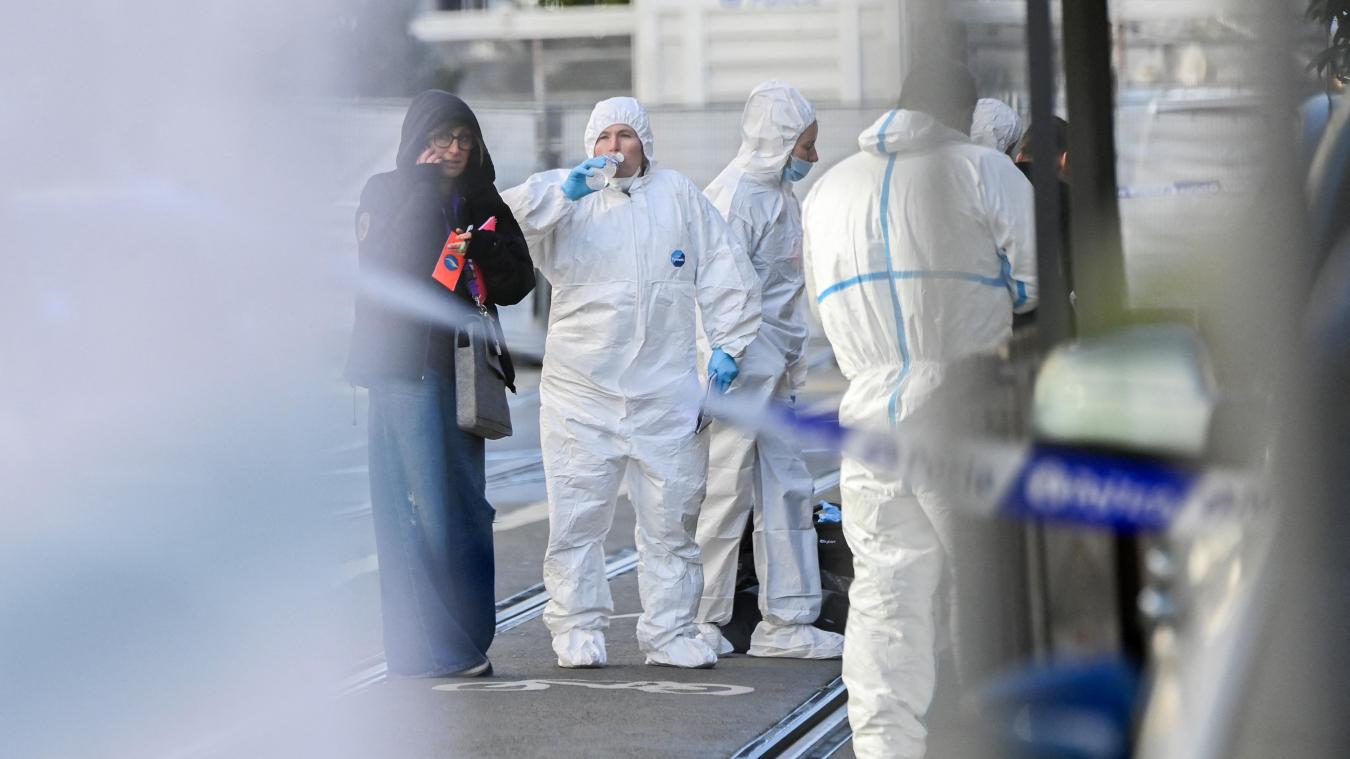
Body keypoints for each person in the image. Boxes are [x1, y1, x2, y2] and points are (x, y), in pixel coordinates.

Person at [801, 61, 1037, 758]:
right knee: (987, 583)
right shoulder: (984, 172)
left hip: (869, 410)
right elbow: (1036, 281)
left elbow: (821, 308)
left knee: (885, 593)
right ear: (963, 114)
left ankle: (884, 746)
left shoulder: (828, 190)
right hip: (966, 402)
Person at [502, 97, 761, 669]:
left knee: (672, 521)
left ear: (645, 143)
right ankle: (576, 630)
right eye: (604, 138)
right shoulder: (566, 197)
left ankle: (669, 633)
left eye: (626, 137)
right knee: (577, 517)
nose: (614, 149)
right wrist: (564, 194)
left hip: (666, 392)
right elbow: (502, 228)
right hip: (580, 393)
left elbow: (724, 266)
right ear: (589, 146)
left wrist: (728, 343)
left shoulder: (678, 196)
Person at [345, 90, 536, 678]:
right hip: (404, 370)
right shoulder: (387, 191)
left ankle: (468, 639)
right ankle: (427, 651)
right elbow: (390, 270)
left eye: (463, 139)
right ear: (415, 141)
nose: (452, 149)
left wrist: (483, 226)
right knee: (415, 509)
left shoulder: (481, 198)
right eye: (440, 138)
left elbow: (518, 281)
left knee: (467, 509)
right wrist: (427, 193)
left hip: (463, 372)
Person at [693, 80, 845, 660]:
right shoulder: (733, 198)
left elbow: (784, 292)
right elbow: (712, 288)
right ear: (780, 142)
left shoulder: (780, 196)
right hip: (737, 367)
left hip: (771, 367)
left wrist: (792, 362)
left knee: (787, 488)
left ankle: (786, 620)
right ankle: (702, 620)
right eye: (806, 146)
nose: (812, 156)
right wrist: (718, 357)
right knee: (724, 491)